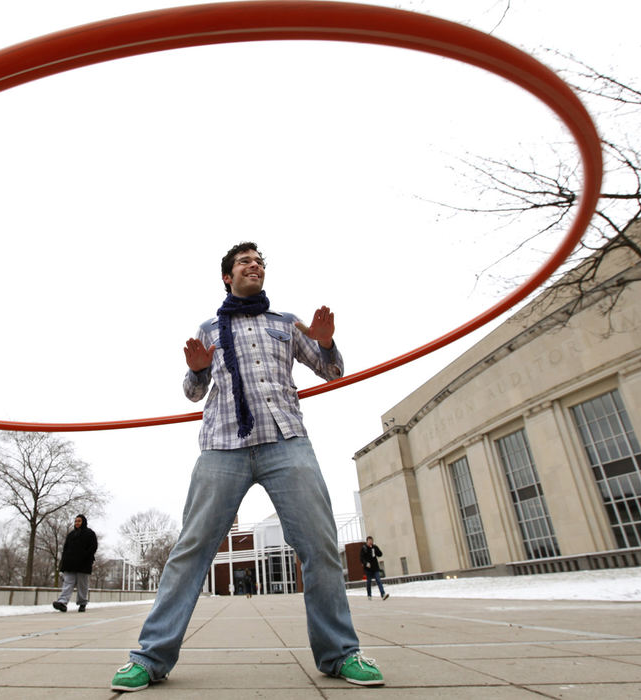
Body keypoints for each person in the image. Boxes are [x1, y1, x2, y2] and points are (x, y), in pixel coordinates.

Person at [111, 242, 384, 692]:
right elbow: (193, 392)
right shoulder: (209, 328)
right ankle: (150, 657)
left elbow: (331, 371)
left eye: (260, 262)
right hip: (224, 446)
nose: (255, 266)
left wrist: (326, 341)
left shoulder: (286, 323)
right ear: (227, 275)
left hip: (285, 442)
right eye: (245, 262)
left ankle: (339, 654)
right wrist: (198, 371)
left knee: (319, 544)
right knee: (191, 548)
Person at [52, 514, 97, 613]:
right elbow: (65, 549)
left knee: (82, 585)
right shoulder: (71, 535)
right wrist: (62, 564)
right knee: (67, 584)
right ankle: (62, 603)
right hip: (70, 564)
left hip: (83, 565)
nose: (77, 523)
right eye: (76, 521)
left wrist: (85, 557)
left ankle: (82, 603)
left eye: (79, 521)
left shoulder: (90, 534)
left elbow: (93, 547)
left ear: (83, 522)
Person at [360, 537, 389, 601]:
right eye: (369, 541)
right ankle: (369, 595)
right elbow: (361, 558)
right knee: (369, 582)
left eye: (371, 541)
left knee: (378, 580)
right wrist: (366, 563)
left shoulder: (374, 547)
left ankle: (383, 594)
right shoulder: (364, 548)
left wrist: (375, 550)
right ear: (367, 541)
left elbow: (380, 554)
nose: (370, 542)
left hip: (375, 567)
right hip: (368, 568)